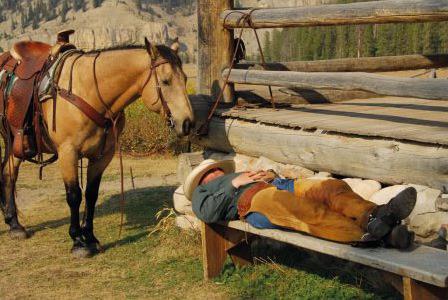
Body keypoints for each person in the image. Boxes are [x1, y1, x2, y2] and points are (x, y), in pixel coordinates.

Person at [184, 159, 417, 249]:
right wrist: (234, 183)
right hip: (254, 201)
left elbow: (272, 177)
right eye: (209, 173)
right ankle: (374, 235)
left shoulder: (232, 175)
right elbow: (207, 212)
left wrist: (269, 174)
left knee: (331, 188)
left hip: (280, 185)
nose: (214, 172)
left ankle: (376, 215)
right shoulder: (201, 194)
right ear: (201, 182)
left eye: (215, 169)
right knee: (306, 211)